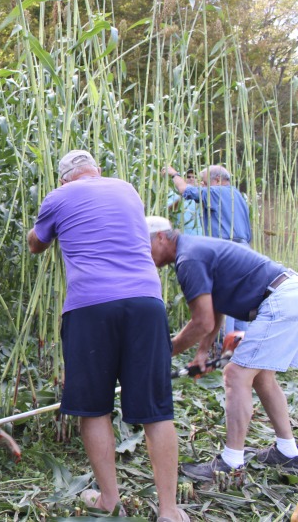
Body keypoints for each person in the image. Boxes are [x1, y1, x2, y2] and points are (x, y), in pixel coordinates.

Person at [27, 151, 186, 522]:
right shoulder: (127, 189)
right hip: (147, 303)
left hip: (91, 306)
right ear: (97, 171)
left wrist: (41, 228)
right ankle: (169, 509)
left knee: (94, 407)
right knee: (157, 410)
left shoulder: (58, 196)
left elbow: (37, 243)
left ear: (65, 178)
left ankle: (110, 500)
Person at [147, 216, 298, 481]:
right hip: (286, 294)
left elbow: (201, 320)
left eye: (143, 247)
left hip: (279, 301)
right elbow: (215, 306)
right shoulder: (193, 249)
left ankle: (231, 461)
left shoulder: (188, 258)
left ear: (161, 237)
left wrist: (164, 352)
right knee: (262, 377)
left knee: (235, 375)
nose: (142, 256)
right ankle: (287, 452)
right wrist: (203, 352)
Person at [165, 164, 251, 334]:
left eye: (203, 183)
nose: (202, 186)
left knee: (223, 300)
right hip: (245, 250)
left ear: (217, 180)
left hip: (226, 249)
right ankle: (238, 346)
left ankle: (220, 347)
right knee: (239, 299)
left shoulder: (216, 192)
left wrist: (174, 174)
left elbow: (184, 190)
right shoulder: (237, 196)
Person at [166, 168, 202, 236]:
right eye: (188, 177)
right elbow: (167, 209)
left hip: (199, 234)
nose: (191, 178)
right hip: (181, 234)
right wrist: (182, 194)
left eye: (194, 177)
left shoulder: (201, 194)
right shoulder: (174, 193)